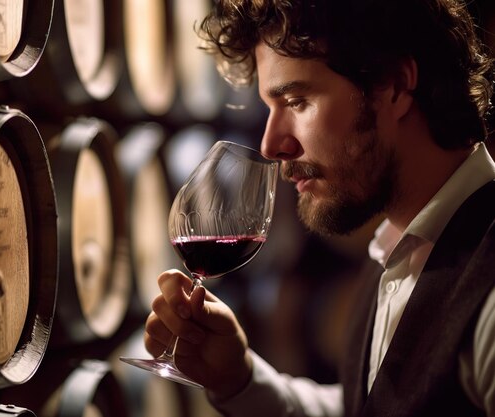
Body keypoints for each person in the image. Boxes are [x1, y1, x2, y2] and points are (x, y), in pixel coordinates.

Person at [142, 0, 495, 416]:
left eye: (296, 101)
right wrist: (238, 377)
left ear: (395, 87)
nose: (272, 146)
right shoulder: (403, 246)